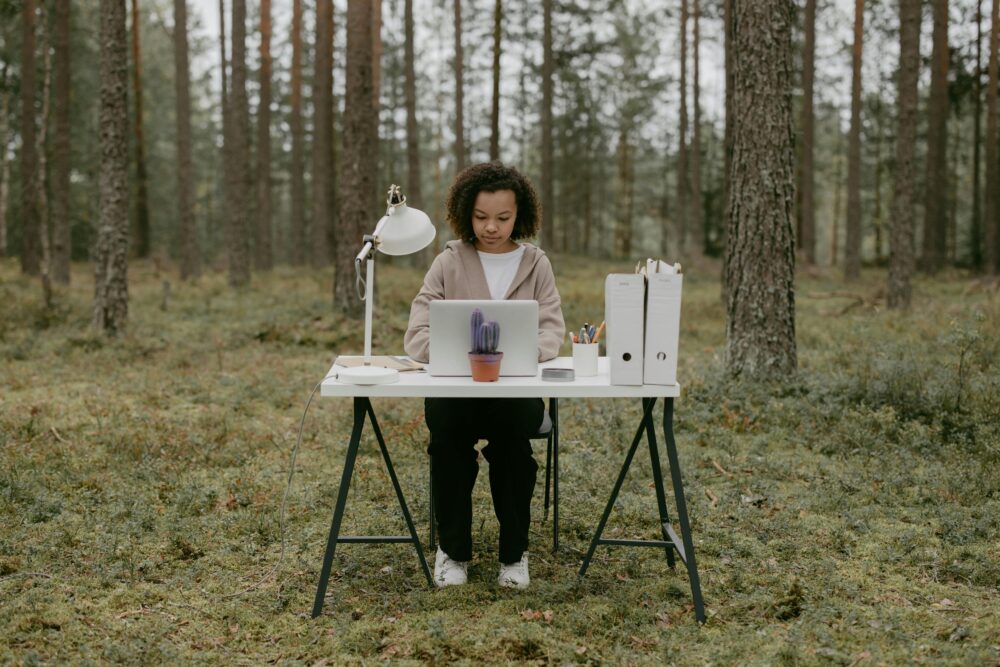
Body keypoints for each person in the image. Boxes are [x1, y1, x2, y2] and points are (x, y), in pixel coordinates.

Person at [404, 162, 565, 589]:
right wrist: (458, 353)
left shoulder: (536, 264)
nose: (491, 227)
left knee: (514, 452)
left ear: (521, 216)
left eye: (503, 218)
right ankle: (452, 552)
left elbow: (552, 330)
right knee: (448, 447)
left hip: (514, 395)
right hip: (456, 393)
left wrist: (518, 353)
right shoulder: (448, 261)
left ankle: (514, 556)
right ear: (464, 212)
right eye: (480, 217)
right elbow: (417, 333)